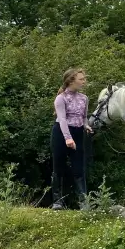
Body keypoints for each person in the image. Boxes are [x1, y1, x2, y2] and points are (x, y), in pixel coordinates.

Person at [50, 68, 93, 210]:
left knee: (79, 168)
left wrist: (86, 126)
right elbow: (62, 119)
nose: (84, 82)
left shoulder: (84, 98)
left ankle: (83, 202)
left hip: (78, 133)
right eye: (81, 79)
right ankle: (57, 201)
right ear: (71, 81)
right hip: (61, 134)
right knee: (59, 167)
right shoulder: (61, 98)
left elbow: (84, 117)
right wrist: (68, 138)